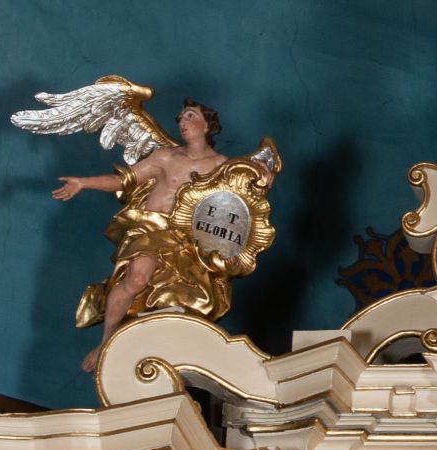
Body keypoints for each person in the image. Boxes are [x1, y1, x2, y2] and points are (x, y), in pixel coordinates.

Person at [48, 96, 280, 371]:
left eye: (191, 116)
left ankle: (161, 339)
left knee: (188, 296)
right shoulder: (165, 157)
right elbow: (123, 180)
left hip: (186, 238)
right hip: (151, 227)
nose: (183, 121)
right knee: (136, 279)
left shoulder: (222, 167)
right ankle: (106, 341)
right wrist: (83, 183)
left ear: (207, 125)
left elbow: (244, 193)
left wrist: (263, 174)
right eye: (180, 117)